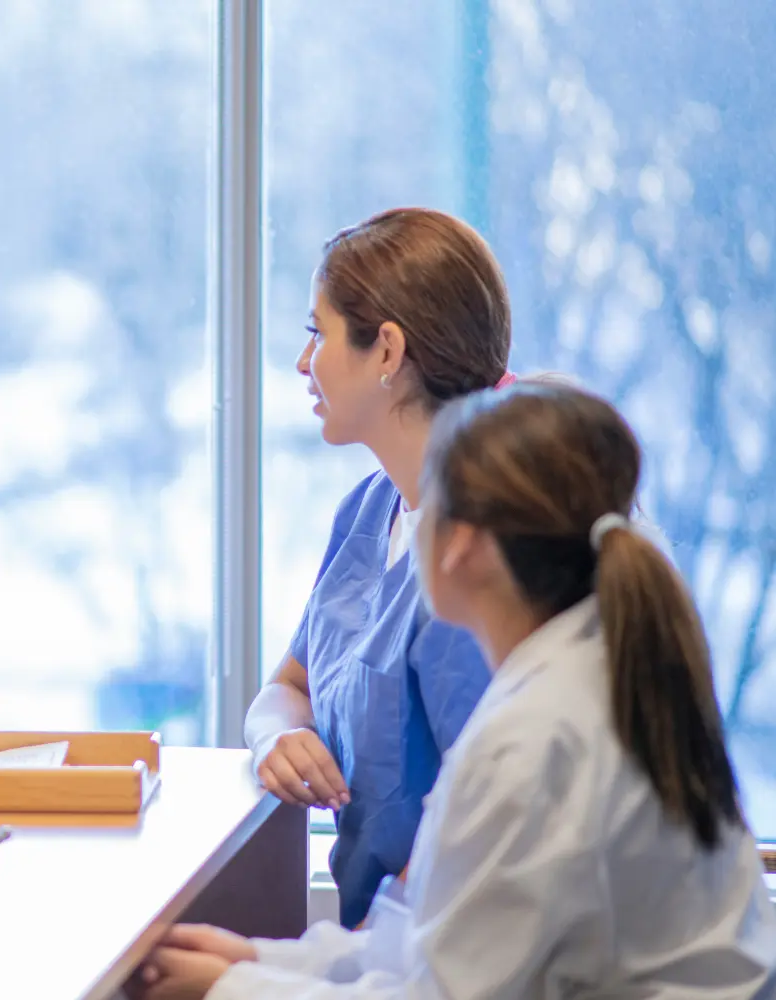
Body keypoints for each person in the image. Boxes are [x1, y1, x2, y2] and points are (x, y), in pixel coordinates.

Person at [135, 383, 776, 999]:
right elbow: (445, 943)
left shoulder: (535, 738)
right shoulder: (584, 672)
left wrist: (236, 989)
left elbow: (447, 988)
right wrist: (262, 960)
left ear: (462, 545)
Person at [245, 208, 507, 928]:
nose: (304, 362)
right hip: (374, 941)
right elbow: (287, 686)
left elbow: (482, 856)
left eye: (317, 333)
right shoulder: (368, 512)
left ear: (386, 350)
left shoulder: (480, 558)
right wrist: (277, 736)